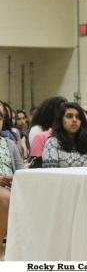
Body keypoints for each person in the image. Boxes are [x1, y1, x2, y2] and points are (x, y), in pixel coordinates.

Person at [42, 102, 87, 168]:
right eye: (69, 116)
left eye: (78, 117)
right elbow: (50, 174)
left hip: (86, 178)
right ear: (61, 120)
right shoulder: (52, 143)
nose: (74, 120)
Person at [0, 106, 23, 248]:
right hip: (4, 193)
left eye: (0, 117)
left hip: (11, 186)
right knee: (5, 198)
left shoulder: (9, 144)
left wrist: (13, 178)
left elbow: (21, 173)